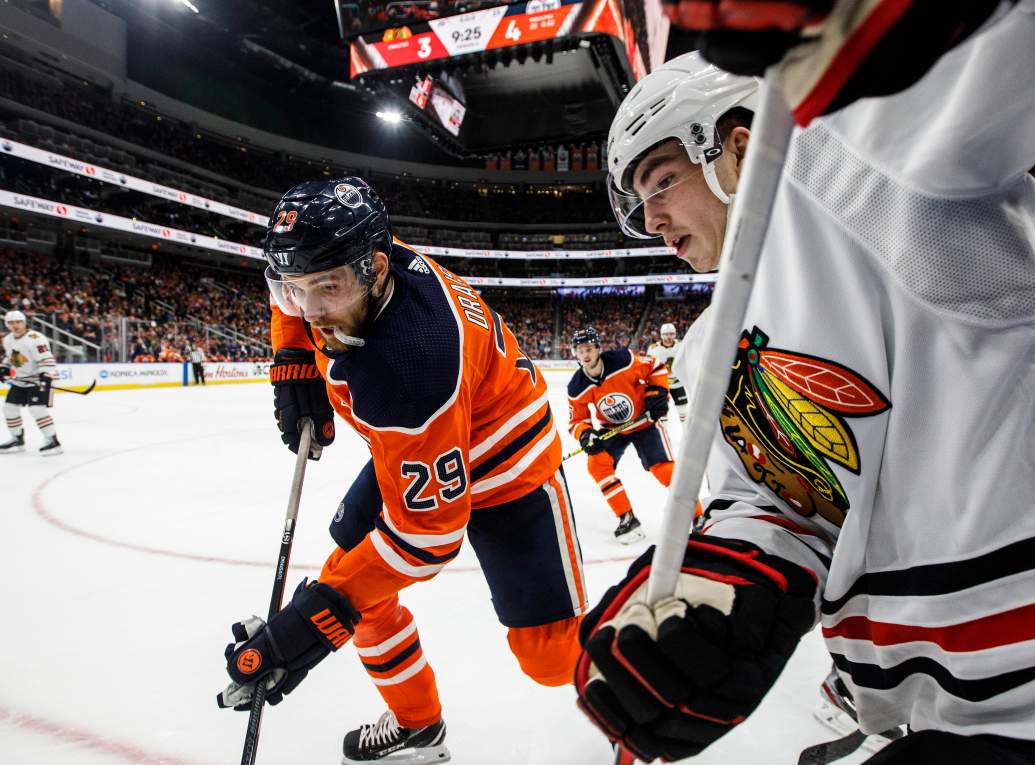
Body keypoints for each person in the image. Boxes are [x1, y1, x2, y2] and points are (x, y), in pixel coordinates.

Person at [574, 11, 1035, 763]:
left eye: (662, 178)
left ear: (738, 145)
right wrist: (723, 585)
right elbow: (778, 495)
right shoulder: (715, 342)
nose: (651, 216)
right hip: (954, 700)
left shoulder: (860, 163)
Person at [215, 177, 587, 764]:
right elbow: (299, 279)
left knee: (550, 658)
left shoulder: (411, 369)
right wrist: (291, 355)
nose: (309, 312)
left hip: (506, 467)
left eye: (325, 290)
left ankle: (665, 631)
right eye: (295, 291)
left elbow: (429, 537)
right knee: (352, 581)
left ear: (376, 269)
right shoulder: (353, 255)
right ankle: (419, 726)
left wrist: (310, 626)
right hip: (426, 438)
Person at [567, 326, 698, 543]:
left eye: (589, 349)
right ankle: (627, 518)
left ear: (598, 348)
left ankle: (698, 516)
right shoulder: (576, 386)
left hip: (644, 422)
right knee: (597, 463)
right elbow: (576, 421)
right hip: (612, 429)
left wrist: (657, 392)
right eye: (580, 351)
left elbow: (655, 367)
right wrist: (585, 434)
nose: (585, 355)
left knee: (663, 468)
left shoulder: (623, 360)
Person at [1, 309, 62, 456]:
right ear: (6, 324)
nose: (15, 325)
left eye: (18, 322)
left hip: (37, 381)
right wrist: (4, 368)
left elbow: (47, 359)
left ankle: (53, 441)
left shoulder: (36, 338)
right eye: (11, 322)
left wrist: (46, 375)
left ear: (24, 322)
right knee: (9, 408)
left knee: (36, 409)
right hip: (20, 381)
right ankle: (17, 440)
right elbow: (11, 358)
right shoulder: (8, 339)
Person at [644, 322, 688, 423]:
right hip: (662, 384)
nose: (669, 337)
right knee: (662, 413)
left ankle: (686, 436)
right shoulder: (653, 348)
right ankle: (665, 437)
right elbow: (648, 366)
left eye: (671, 334)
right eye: (666, 334)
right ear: (662, 335)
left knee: (683, 411)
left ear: (675, 334)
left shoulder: (681, 345)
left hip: (678, 383)